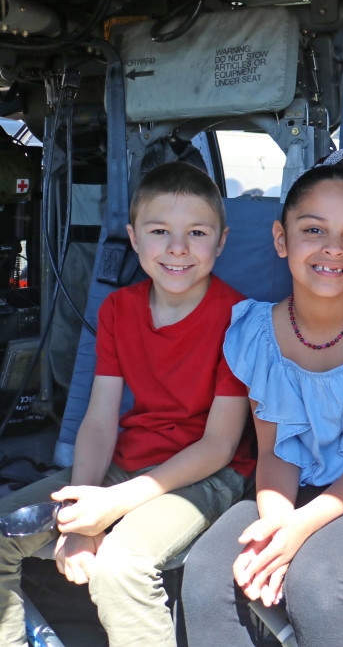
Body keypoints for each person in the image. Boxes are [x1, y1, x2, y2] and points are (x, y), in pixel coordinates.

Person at [180, 150, 343, 647]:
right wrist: (277, 528)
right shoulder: (256, 334)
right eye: (314, 230)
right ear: (281, 238)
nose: (333, 248)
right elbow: (274, 450)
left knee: (315, 585)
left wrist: (299, 531)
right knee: (208, 577)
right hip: (285, 490)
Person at [0, 161, 254, 647]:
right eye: (160, 231)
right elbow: (98, 420)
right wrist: (81, 511)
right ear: (134, 239)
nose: (177, 248)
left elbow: (220, 445)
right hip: (127, 461)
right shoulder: (118, 309)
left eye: (196, 233)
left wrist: (110, 508)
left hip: (208, 473)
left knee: (121, 566)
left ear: (220, 243)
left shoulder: (240, 319)